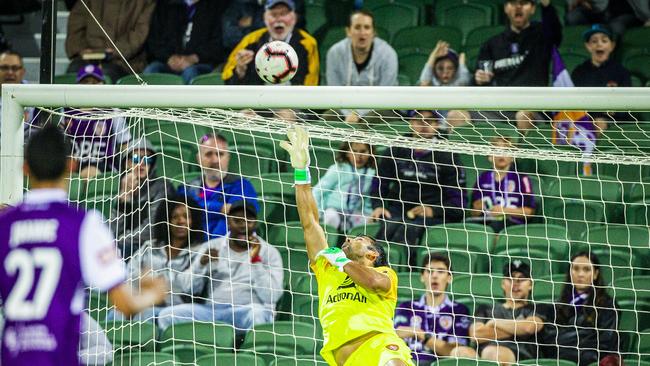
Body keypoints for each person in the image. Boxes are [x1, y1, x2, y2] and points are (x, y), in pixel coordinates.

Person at [0, 125, 166, 365]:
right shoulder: (85, 224)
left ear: (25, 168)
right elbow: (126, 305)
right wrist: (153, 293)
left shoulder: (5, 224)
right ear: (71, 166)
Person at [280, 125, 413, 366]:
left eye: (359, 239)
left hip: (379, 345)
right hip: (344, 360)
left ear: (372, 255)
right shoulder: (326, 268)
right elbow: (310, 222)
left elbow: (372, 282)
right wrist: (301, 171)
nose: (349, 239)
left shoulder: (384, 274)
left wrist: (341, 260)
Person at [158, 200, 283, 332]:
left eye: (249, 221)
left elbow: (272, 296)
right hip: (212, 311)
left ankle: (252, 352)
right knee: (167, 316)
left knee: (257, 314)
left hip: (246, 310)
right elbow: (187, 287)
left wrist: (256, 261)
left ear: (255, 224)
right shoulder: (212, 247)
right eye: (237, 220)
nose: (243, 226)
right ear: (228, 222)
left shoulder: (269, 252)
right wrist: (201, 265)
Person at [370, 111, 465, 249]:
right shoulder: (396, 149)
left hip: (431, 215)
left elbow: (458, 203)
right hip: (397, 211)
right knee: (388, 229)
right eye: (418, 120)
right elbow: (379, 182)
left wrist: (433, 210)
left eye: (429, 121)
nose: (424, 125)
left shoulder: (448, 155)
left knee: (409, 230)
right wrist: (378, 205)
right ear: (410, 123)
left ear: (437, 125)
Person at [109, 195, 204, 323]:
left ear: (193, 221)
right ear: (165, 220)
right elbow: (130, 274)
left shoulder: (200, 252)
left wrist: (154, 282)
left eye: (186, 216)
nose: (181, 221)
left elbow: (192, 287)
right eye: (175, 217)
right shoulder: (149, 247)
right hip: (143, 301)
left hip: (175, 310)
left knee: (146, 314)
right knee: (115, 313)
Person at [453, 260, 547, 365]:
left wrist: (494, 322)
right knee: (459, 352)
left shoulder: (538, 308)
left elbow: (529, 327)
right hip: (481, 354)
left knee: (494, 353)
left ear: (530, 285)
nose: (515, 283)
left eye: (521, 279)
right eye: (510, 279)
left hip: (520, 356)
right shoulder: (485, 308)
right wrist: (517, 329)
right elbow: (477, 334)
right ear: (503, 284)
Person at [543, 252, 620, 366]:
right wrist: (585, 334)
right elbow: (548, 338)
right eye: (576, 269)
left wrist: (566, 337)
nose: (580, 274)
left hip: (588, 359)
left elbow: (605, 342)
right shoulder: (557, 305)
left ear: (595, 274)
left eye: (586, 269)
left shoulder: (608, 305)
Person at [394, 253, 471, 365]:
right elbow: (394, 337)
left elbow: (454, 351)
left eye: (440, 271)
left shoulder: (459, 310)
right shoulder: (406, 307)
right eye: (429, 271)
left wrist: (422, 335)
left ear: (449, 278)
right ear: (422, 276)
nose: (434, 276)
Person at [178, 133, 258, 239]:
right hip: (191, 247)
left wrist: (210, 248)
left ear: (228, 157)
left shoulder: (242, 187)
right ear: (198, 158)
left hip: (225, 250)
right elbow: (181, 214)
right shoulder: (187, 188)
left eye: (220, 154)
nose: (215, 160)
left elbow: (237, 219)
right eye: (208, 154)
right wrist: (220, 208)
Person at [222, 0, 319, 86]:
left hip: (293, 102)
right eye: (273, 14)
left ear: (294, 18)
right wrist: (240, 70)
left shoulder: (307, 43)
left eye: (283, 14)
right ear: (265, 18)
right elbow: (227, 78)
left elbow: (311, 84)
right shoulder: (251, 40)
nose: (279, 19)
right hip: (256, 102)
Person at [326, 10, 398, 123]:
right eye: (357, 27)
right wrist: (349, 113)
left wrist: (358, 113)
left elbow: (384, 95)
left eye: (367, 27)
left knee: (370, 119)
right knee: (328, 117)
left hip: (380, 107)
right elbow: (334, 91)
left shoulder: (388, 54)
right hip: (344, 107)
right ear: (348, 31)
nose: (362, 32)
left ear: (373, 32)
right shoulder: (335, 53)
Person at [63, 64, 131, 179]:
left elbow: (126, 144)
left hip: (105, 166)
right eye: (86, 82)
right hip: (73, 165)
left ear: (103, 85)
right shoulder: (66, 112)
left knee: (91, 172)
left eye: (95, 82)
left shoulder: (112, 112)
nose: (90, 86)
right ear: (77, 86)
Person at [111, 138, 175, 258]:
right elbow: (112, 230)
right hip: (127, 247)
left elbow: (152, 229)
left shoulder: (162, 187)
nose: (141, 164)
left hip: (153, 249)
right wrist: (125, 198)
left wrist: (120, 242)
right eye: (136, 159)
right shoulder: (124, 186)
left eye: (147, 159)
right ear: (127, 163)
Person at [65, 0, 155, 82]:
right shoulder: (87, 2)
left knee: (105, 74)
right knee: (73, 72)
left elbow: (139, 34)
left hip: (124, 62)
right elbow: (76, 29)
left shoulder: (144, 3)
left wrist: (112, 52)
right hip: (87, 58)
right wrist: (82, 50)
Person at [144, 0, 226, 84]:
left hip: (200, 63)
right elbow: (154, 42)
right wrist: (169, 58)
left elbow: (217, 45)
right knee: (151, 70)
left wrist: (194, 58)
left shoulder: (214, 7)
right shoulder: (165, 5)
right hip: (167, 62)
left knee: (190, 72)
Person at [470, 137, 536, 233]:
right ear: (489, 156)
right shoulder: (482, 178)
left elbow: (529, 212)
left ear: (513, 156)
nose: (501, 154)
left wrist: (504, 211)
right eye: (497, 150)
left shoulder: (522, 178)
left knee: (495, 227)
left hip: (512, 225)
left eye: (506, 150)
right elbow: (473, 212)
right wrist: (477, 210)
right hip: (485, 221)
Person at [312, 141, 376, 231]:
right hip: (335, 210)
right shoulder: (338, 168)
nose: (358, 156)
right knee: (331, 217)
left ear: (370, 152)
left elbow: (368, 199)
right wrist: (318, 213)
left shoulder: (372, 173)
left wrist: (370, 215)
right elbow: (317, 191)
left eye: (363, 151)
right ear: (347, 153)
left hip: (356, 213)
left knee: (368, 225)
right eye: (354, 151)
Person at [572, 24, 631, 88]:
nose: (599, 44)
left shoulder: (621, 72)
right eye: (594, 41)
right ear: (588, 46)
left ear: (612, 46)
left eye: (604, 41)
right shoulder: (579, 72)